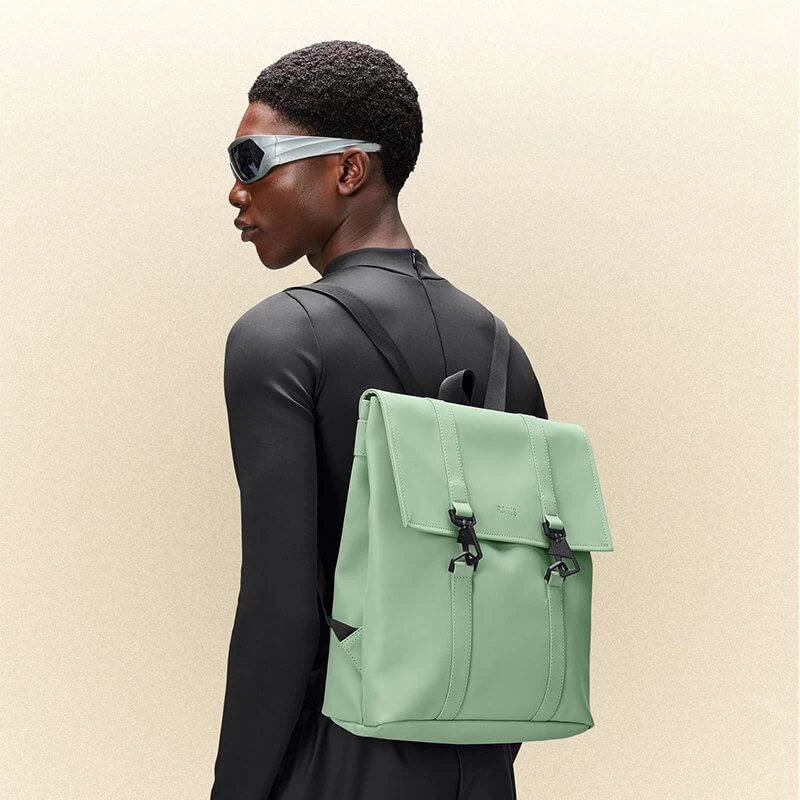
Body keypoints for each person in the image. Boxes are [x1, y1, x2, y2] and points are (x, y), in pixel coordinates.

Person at [210, 40, 548, 800]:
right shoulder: (503, 348)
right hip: (479, 765)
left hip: (331, 758)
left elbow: (280, 612)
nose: (235, 191)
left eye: (251, 160)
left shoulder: (281, 338)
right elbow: (523, 596)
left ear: (348, 169)